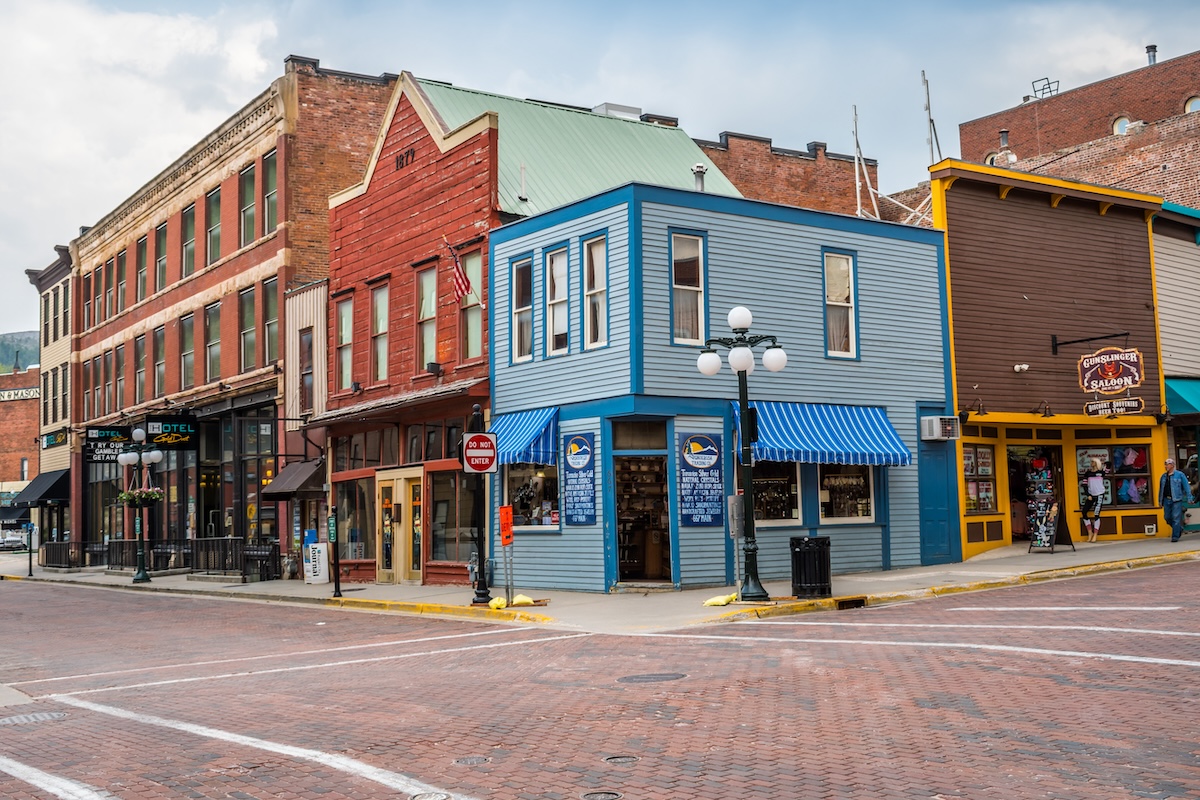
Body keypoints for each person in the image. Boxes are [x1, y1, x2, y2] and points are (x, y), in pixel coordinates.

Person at [1158, 458, 1193, 542]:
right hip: (1166, 499)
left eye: (1167, 464)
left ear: (1172, 465)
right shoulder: (1163, 476)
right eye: (1165, 464)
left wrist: (1189, 497)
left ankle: (1175, 536)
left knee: (1175, 518)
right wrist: (1160, 501)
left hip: (1177, 499)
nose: (1166, 466)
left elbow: (1186, 487)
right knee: (1167, 517)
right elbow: (1161, 490)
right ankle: (1179, 529)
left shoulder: (1180, 475)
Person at [1080, 458, 1108, 542]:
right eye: (1091, 461)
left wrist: (1103, 463)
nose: (1091, 463)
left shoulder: (1101, 472)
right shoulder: (1088, 473)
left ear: (1096, 463)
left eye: (1093, 461)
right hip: (1091, 495)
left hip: (1099, 494)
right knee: (1084, 512)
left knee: (1096, 514)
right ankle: (1090, 532)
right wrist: (1088, 494)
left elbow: (1109, 465)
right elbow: (1084, 485)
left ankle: (1095, 534)